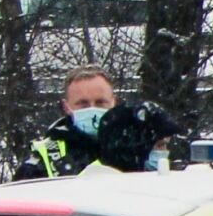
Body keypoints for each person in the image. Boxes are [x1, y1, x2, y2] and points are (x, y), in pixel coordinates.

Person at [16, 69, 187, 179]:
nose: (92, 110)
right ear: (66, 107)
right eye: (82, 104)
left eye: (100, 102)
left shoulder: (139, 142)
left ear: (114, 102)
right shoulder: (44, 157)